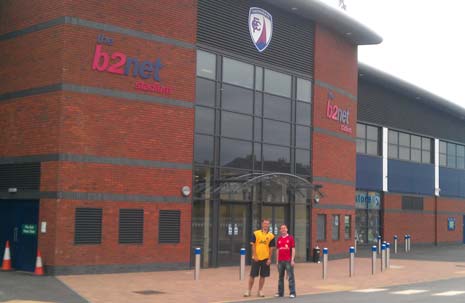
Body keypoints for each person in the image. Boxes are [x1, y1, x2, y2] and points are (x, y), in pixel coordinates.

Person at [244, 219, 275, 297]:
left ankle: (260, 291)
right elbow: (253, 245)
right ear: (262, 224)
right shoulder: (256, 233)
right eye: (265, 223)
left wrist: (269, 259)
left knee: (263, 276)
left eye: (267, 224)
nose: (266, 225)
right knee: (252, 275)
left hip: (265, 259)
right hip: (256, 258)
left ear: (269, 225)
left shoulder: (271, 236)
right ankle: (248, 290)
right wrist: (255, 255)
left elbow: (271, 248)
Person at [275, 224, 296, 298]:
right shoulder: (279, 239)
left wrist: (292, 259)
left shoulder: (290, 238)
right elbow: (277, 250)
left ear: (287, 229)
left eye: (284, 228)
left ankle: (292, 292)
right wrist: (277, 261)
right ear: (280, 230)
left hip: (288, 260)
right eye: (281, 228)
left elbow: (293, 249)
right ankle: (280, 293)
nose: (283, 229)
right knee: (280, 277)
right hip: (280, 261)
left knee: (290, 277)